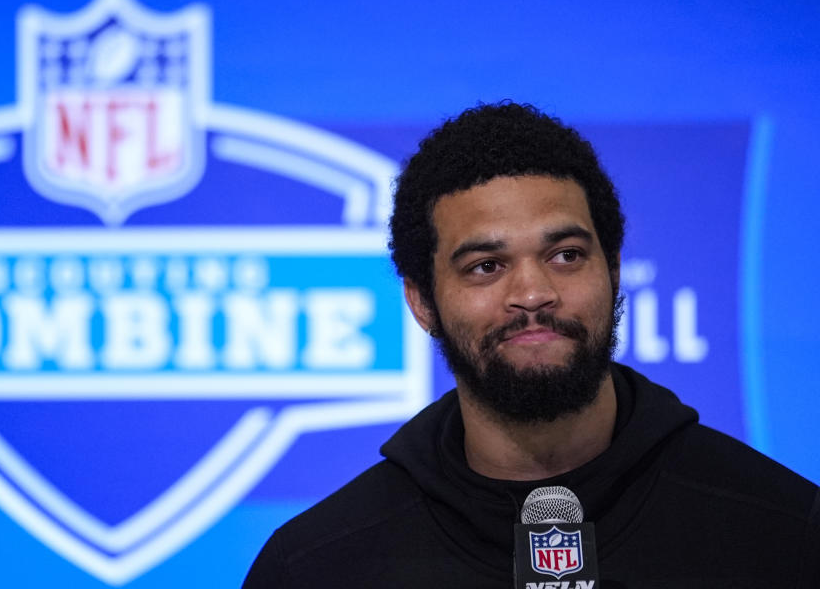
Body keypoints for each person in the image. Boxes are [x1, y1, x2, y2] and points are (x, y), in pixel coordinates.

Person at [243, 102, 820, 588]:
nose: (534, 293)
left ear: (613, 269)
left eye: (566, 255)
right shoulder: (316, 567)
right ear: (422, 302)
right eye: (486, 265)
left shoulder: (787, 533)